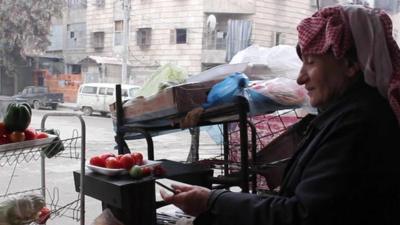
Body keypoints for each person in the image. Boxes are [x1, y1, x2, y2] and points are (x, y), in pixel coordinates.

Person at [160, 4, 400, 225]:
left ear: (350, 65)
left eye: (311, 62)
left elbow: (301, 216)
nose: (300, 77)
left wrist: (212, 201)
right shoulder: (345, 115)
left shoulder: (359, 124)